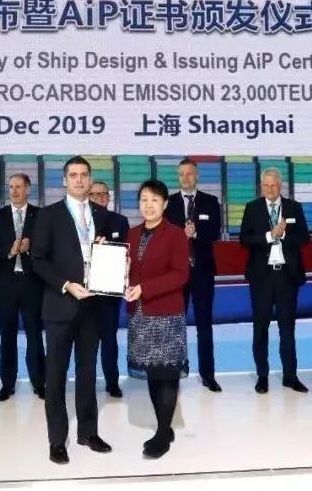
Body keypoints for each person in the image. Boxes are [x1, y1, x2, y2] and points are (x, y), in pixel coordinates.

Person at [32, 155, 112, 465]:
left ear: (90, 179)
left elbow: (112, 255)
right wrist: (66, 284)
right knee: (55, 377)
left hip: (93, 305)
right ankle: (57, 440)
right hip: (60, 304)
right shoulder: (49, 215)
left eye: (84, 174)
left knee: (88, 373)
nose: (79, 180)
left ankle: (88, 433)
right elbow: (38, 260)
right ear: (64, 180)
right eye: (73, 175)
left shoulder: (102, 215)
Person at [126, 179, 190, 459]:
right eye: (143, 199)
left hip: (166, 314)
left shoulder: (175, 235)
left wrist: (145, 288)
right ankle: (164, 426)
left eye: (154, 200)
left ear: (164, 204)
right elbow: (127, 271)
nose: (148, 205)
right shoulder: (131, 234)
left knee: (168, 373)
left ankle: (163, 434)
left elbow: (180, 275)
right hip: (140, 314)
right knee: (153, 373)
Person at [239, 167, 310, 394]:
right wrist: (270, 236)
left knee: (287, 329)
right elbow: (244, 239)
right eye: (265, 185)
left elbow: (304, 238)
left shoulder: (294, 207)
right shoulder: (252, 208)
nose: (269, 189)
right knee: (260, 328)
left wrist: (284, 234)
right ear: (261, 186)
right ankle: (262, 376)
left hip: (286, 276)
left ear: (280, 186)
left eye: (273, 185)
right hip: (262, 277)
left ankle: (290, 376)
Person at [164, 158, 222, 392]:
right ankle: (172, 374)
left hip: (203, 273)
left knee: (204, 325)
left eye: (189, 174)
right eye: (182, 174)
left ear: (197, 176)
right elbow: (162, 237)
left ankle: (208, 375)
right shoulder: (169, 203)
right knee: (173, 325)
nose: (185, 178)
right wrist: (181, 235)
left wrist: (196, 232)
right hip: (175, 275)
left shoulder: (210, 201)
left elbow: (215, 232)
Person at [0, 173, 44, 402]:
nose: (14, 191)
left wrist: (32, 246)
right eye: (11, 187)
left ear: (28, 189)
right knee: (6, 335)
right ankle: (7, 385)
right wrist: (9, 251)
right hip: (6, 284)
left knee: (34, 334)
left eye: (19, 187)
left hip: (32, 284)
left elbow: (49, 247)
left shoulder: (41, 215)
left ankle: (39, 383)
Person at [88, 180, 130, 398]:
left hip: (109, 292)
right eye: (94, 194)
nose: (99, 198)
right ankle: (86, 382)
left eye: (102, 194)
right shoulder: (80, 222)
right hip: (84, 293)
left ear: (108, 197)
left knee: (109, 341)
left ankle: (112, 382)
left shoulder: (120, 221)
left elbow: (125, 254)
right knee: (87, 342)